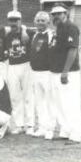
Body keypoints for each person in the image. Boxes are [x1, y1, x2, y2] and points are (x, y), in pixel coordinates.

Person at [48, 4, 81, 144]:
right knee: (60, 103)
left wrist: (65, 72)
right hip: (56, 71)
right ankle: (66, 130)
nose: (56, 16)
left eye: (59, 13)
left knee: (71, 103)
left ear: (65, 13)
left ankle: (75, 134)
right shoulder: (58, 29)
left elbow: (72, 50)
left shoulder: (71, 27)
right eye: (54, 14)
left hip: (68, 72)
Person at [5, 10, 34, 135]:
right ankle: (19, 124)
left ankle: (30, 125)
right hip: (12, 66)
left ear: (20, 21)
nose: (13, 23)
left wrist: (24, 30)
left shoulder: (29, 33)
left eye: (16, 20)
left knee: (28, 96)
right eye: (11, 20)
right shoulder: (7, 36)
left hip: (27, 65)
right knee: (15, 96)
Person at [29, 11, 55, 139]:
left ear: (48, 22)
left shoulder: (51, 35)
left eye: (43, 20)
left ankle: (50, 129)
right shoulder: (34, 35)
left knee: (50, 101)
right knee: (39, 102)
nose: (40, 23)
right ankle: (42, 127)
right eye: (38, 20)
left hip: (47, 72)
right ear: (35, 22)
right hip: (35, 72)